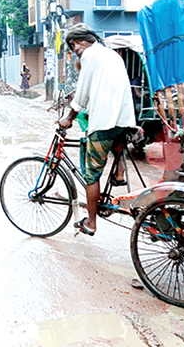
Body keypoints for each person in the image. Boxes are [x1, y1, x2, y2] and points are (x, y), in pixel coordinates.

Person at [57, 23, 137, 236]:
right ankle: (119, 174)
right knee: (116, 142)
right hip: (124, 119)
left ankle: (91, 223)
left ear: (80, 42)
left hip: (104, 122)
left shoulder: (89, 56)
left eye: (74, 46)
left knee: (91, 175)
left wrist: (69, 117)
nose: (75, 50)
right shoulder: (112, 55)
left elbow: (82, 93)